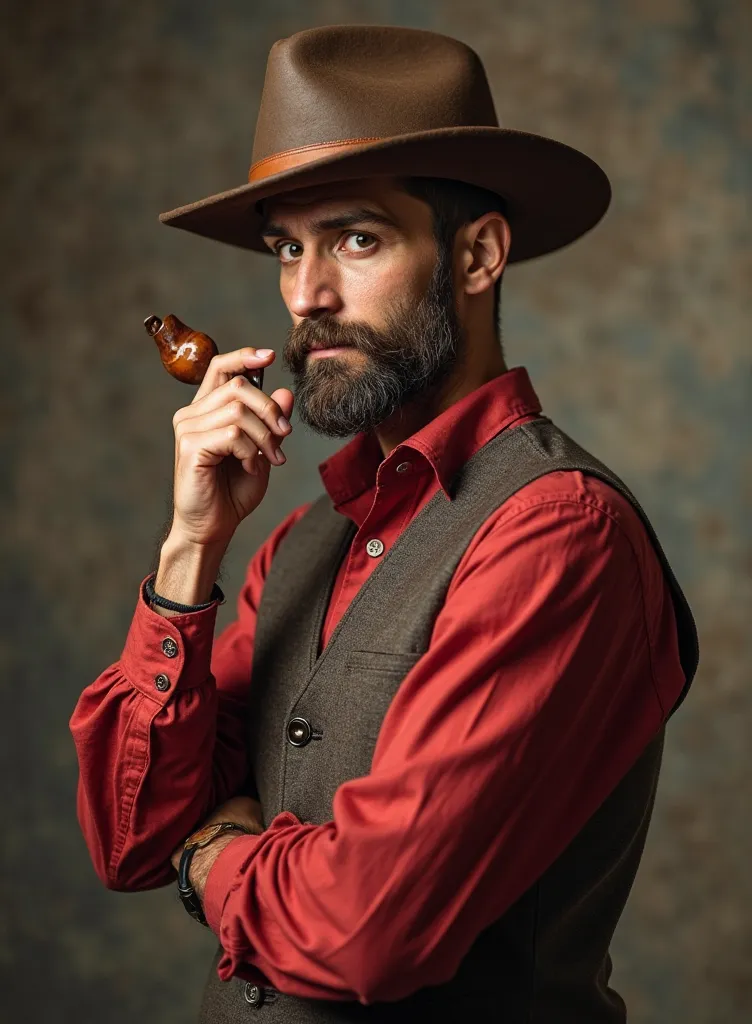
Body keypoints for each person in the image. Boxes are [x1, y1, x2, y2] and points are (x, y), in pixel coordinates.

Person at [69, 24, 699, 1023]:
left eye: (356, 239)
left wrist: (214, 852)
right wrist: (190, 548)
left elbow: (368, 928)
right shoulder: (300, 539)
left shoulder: (557, 535)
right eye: (287, 246)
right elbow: (131, 838)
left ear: (479, 253)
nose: (304, 297)